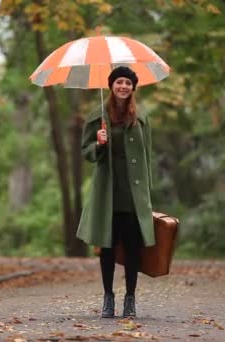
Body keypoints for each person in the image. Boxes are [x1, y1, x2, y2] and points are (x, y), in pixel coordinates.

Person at [76, 66, 154, 318]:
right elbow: (85, 152)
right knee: (107, 248)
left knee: (133, 248)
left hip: (133, 196)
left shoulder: (141, 117)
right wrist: (98, 143)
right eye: (119, 82)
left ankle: (130, 298)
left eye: (127, 83)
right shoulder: (97, 116)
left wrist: (147, 195)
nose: (123, 86)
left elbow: (147, 156)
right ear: (111, 86)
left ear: (133, 88)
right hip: (107, 193)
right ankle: (108, 297)